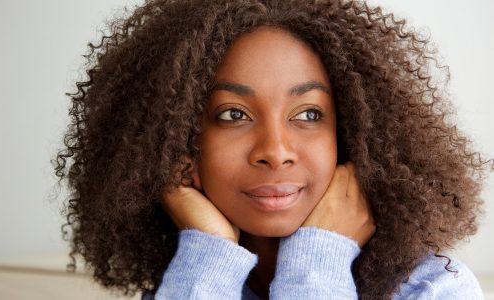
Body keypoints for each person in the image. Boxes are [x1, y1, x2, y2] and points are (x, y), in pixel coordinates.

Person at [53, 0, 491, 299]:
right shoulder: (197, 278)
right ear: (181, 144)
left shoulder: (434, 289)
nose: (275, 150)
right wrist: (206, 254)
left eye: (309, 114)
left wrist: (318, 261)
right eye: (233, 115)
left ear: (355, 137)